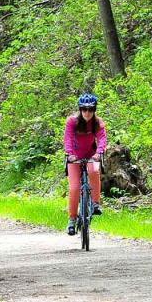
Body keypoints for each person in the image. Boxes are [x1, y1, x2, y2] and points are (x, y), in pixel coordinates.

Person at [64, 93, 105, 235]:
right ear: (80, 110)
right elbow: (67, 139)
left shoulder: (98, 123)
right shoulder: (72, 121)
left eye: (91, 109)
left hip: (91, 155)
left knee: (94, 171)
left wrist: (98, 153)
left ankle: (95, 204)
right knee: (75, 188)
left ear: (94, 110)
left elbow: (102, 139)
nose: (87, 112)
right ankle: (72, 219)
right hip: (74, 157)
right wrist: (70, 154)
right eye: (84, 109)